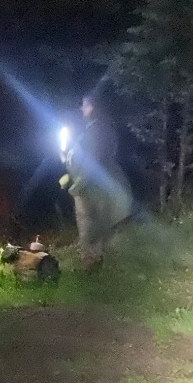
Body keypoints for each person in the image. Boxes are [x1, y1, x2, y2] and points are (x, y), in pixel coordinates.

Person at [61, 92, 133, 273]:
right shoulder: (98, 128)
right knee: (100, 228)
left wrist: (77, 186)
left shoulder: (96, 130)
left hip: (92, 189)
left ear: (93, 107)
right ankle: (102, 267)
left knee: (89, 228)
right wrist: (68, 169)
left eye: (84, 105)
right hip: (98, 186)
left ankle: (90, 270)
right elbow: (84, 160)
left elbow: (93, 162)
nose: (82, 108)